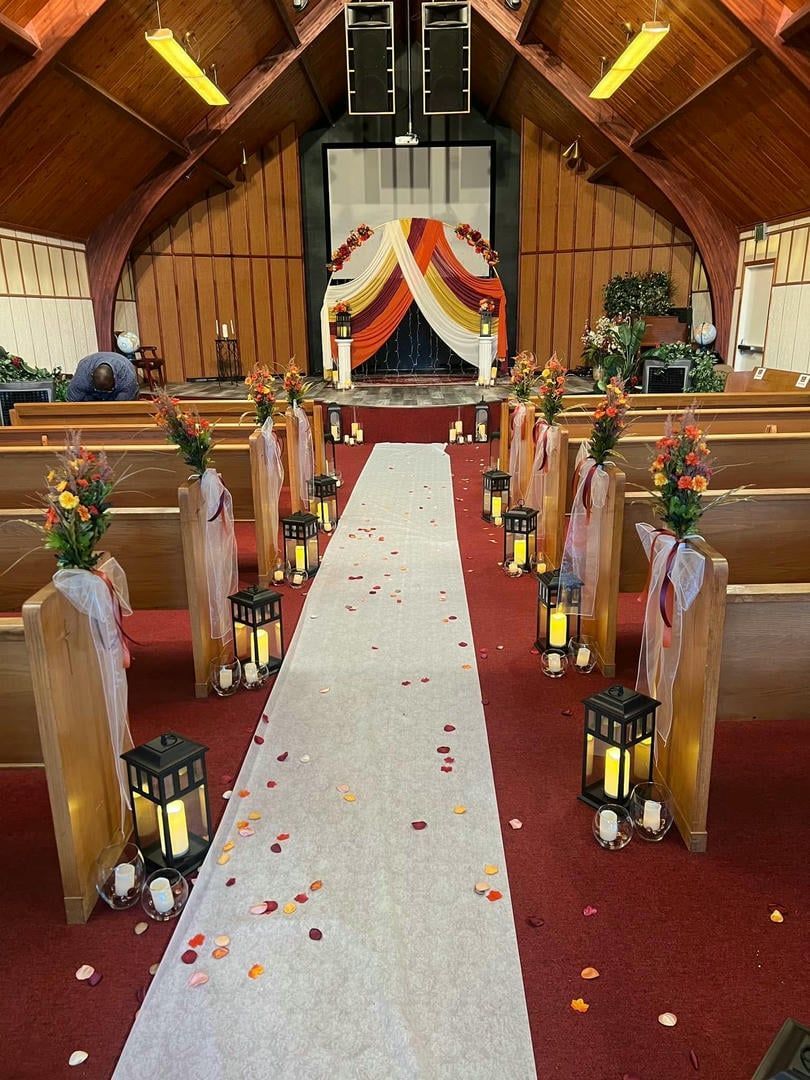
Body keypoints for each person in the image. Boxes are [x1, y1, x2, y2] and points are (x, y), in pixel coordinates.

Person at [67, 351, 139, 402]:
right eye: (98, 389)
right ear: (91, 376)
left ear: (114, 378)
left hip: (117, 394)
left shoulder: (127, 377)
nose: (103, 393)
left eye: (107, 389)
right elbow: (71, 402)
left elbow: (123, 407)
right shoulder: (82, 375)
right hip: (91, 396)